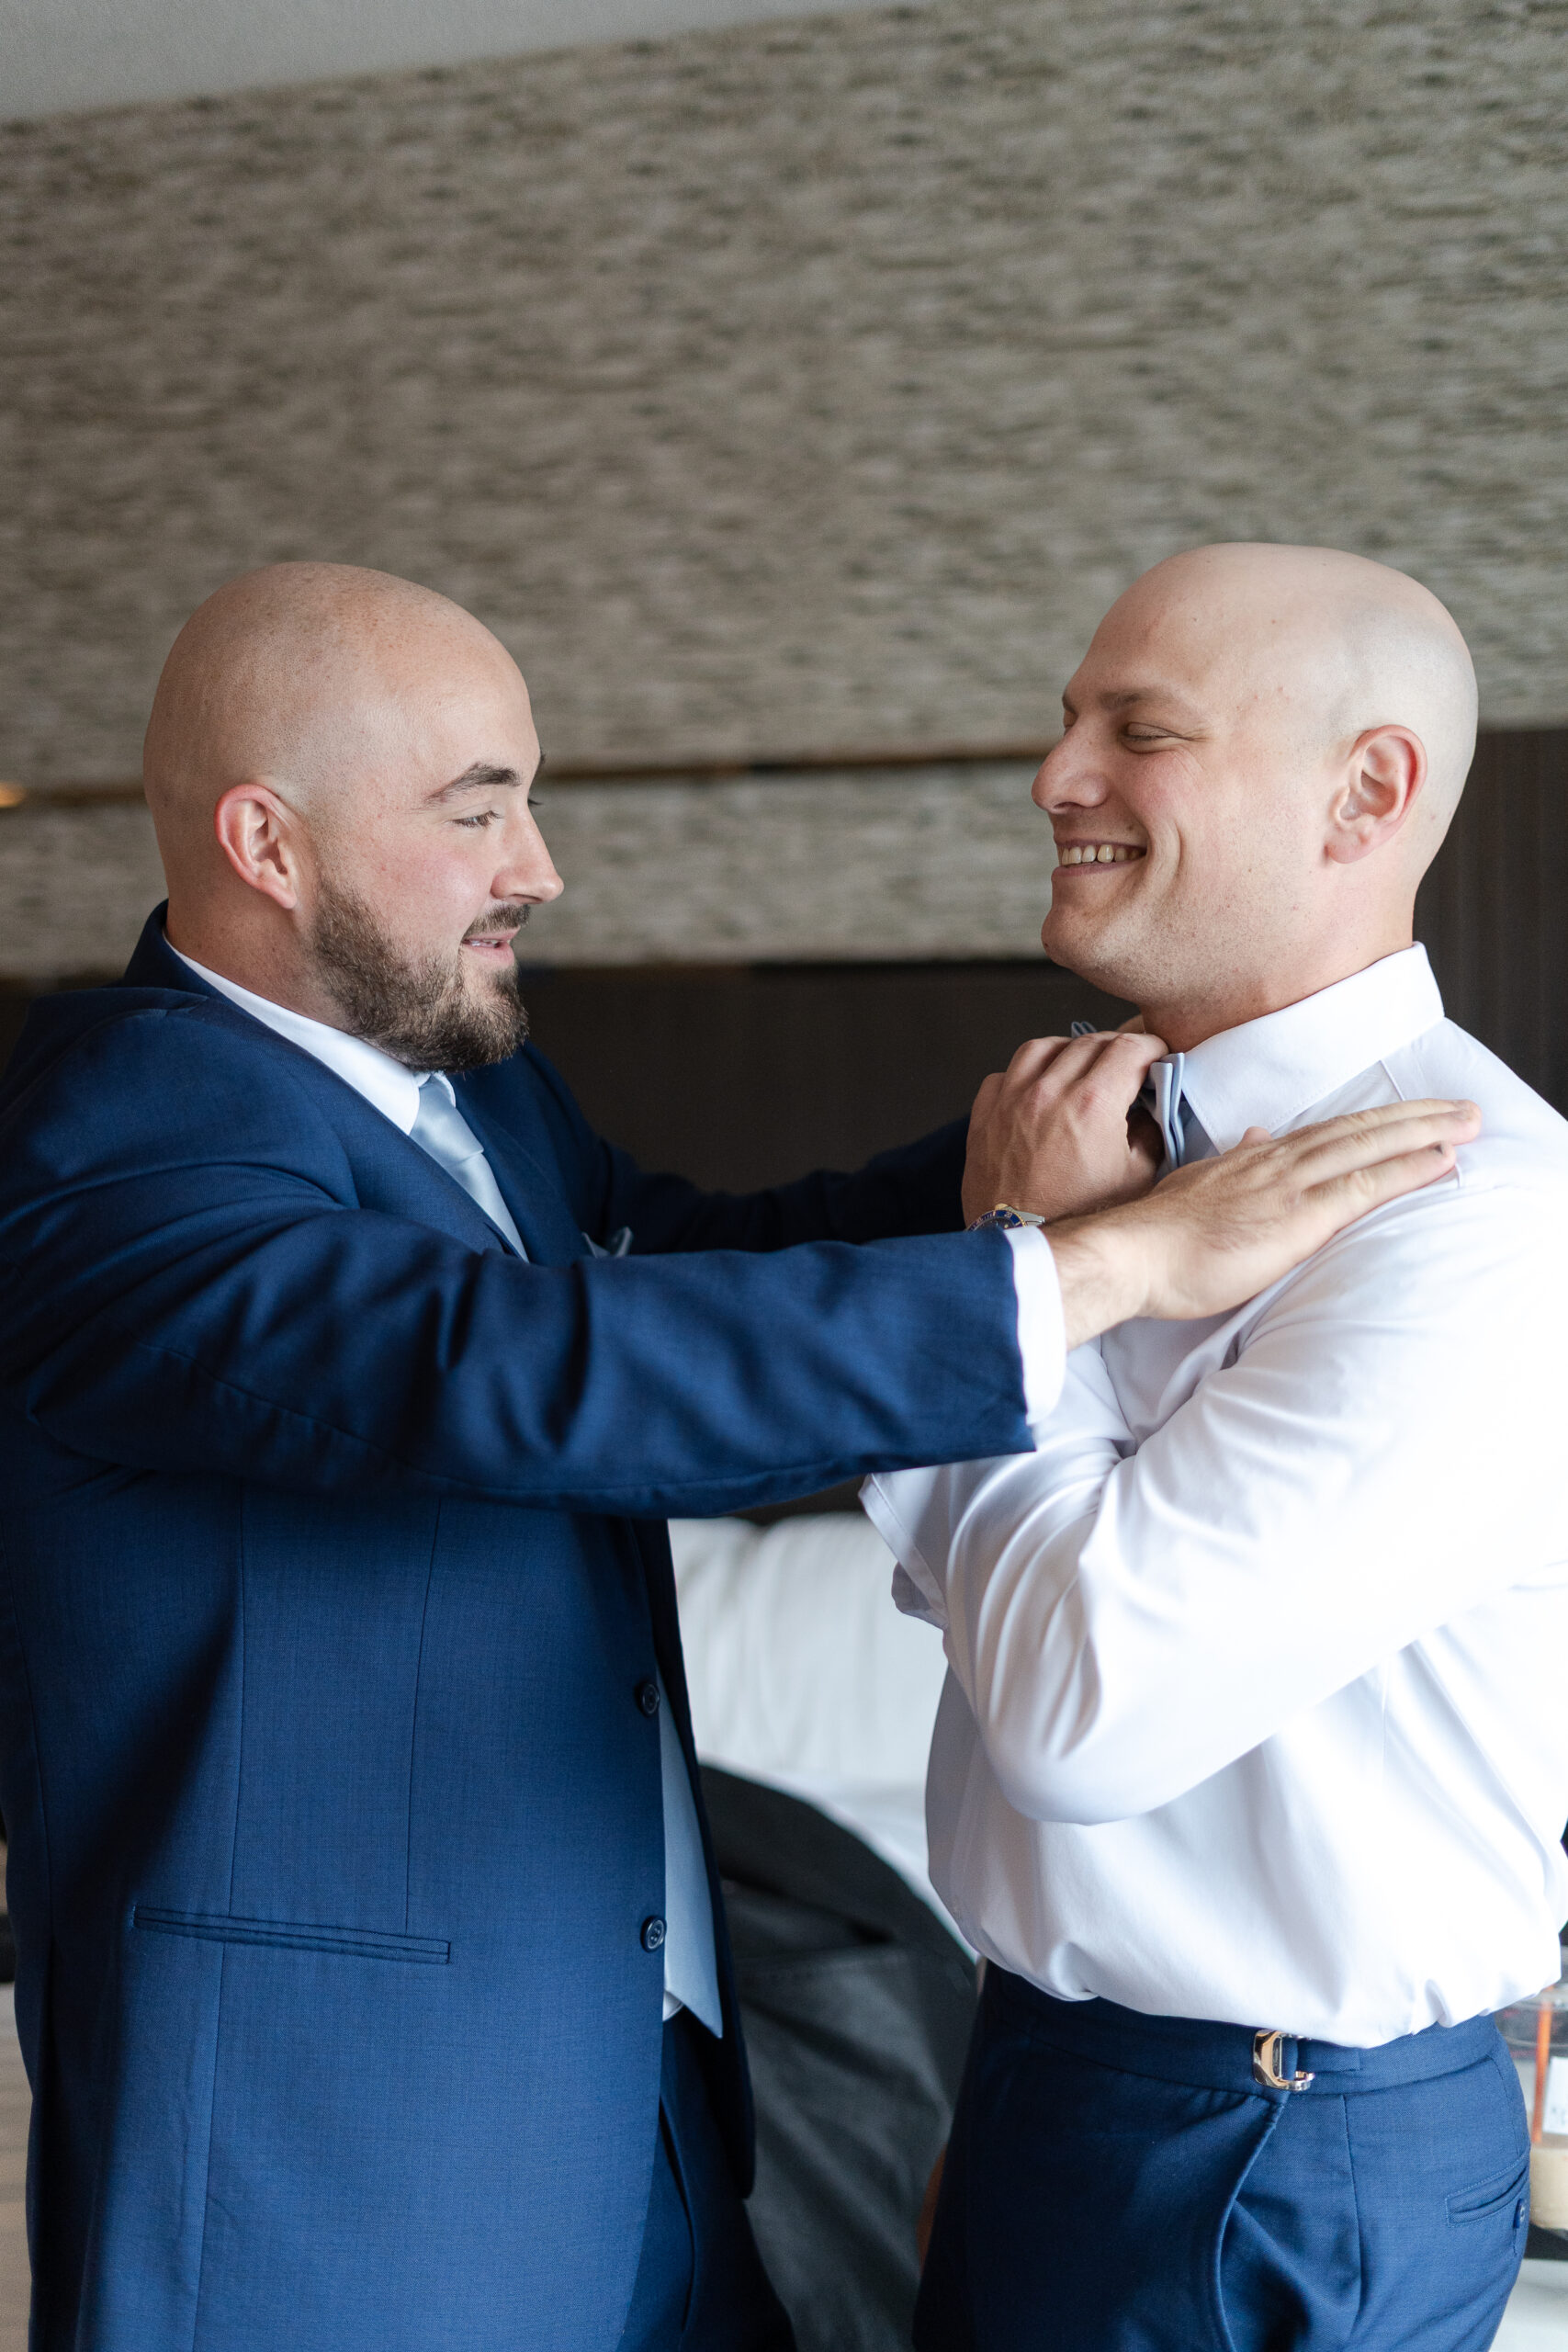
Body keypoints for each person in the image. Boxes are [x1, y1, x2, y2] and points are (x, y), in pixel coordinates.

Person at [0, 563, 1474, 2352]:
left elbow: (687, 1269)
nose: (536, 865)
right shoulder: (116, 1140)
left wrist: (1136, 1114)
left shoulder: (462, 1089)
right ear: (268, 840)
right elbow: (506, 1368)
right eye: (480, 808)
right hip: (346, 2151)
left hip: (635, 2094)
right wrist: (1084, 1267)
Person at [865, 542, 1568, 2352]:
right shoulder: (1095, 1125)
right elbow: (968, 1592)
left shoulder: (1473, 1214)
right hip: (1065, 2078)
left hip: (1261, 2145)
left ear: (1366, 791)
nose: (1051, 776)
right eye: (1063, 720)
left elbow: (1068, 1710)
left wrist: (1035, 1286)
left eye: (1137, 728)